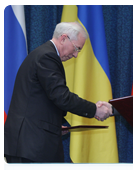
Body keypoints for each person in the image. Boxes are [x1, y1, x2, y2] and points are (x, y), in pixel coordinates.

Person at [4, 22, 112, 163]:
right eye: (76, 49)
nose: (75, 55)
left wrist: (55, 124)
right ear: (63, 38)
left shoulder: (41, 53)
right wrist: (94, 110)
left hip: (29, 143)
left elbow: (41, 99)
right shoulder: (47, 56)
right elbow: (62, 97)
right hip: (31, 145)